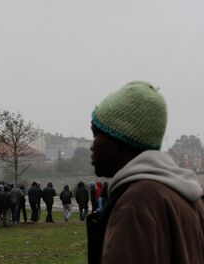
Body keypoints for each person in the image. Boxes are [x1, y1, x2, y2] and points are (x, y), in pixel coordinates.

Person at [86, 81, 204, 263]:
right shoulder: (186, 198)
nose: (92, 146)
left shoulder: (136, 203)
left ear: (116, 141)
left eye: (96, 134)